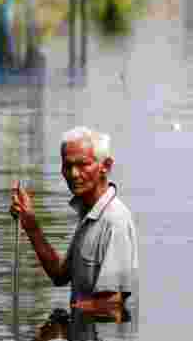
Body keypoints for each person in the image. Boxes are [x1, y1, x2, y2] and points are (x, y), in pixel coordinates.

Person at [10, 126, 138, 317]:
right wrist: (30, 224)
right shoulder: (89, 214)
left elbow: (111, 304)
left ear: (106, 166)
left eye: (83, 165)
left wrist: (63, 319)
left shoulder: (114, 221)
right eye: (67, 166)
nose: (74, 174)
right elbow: (60, 275)